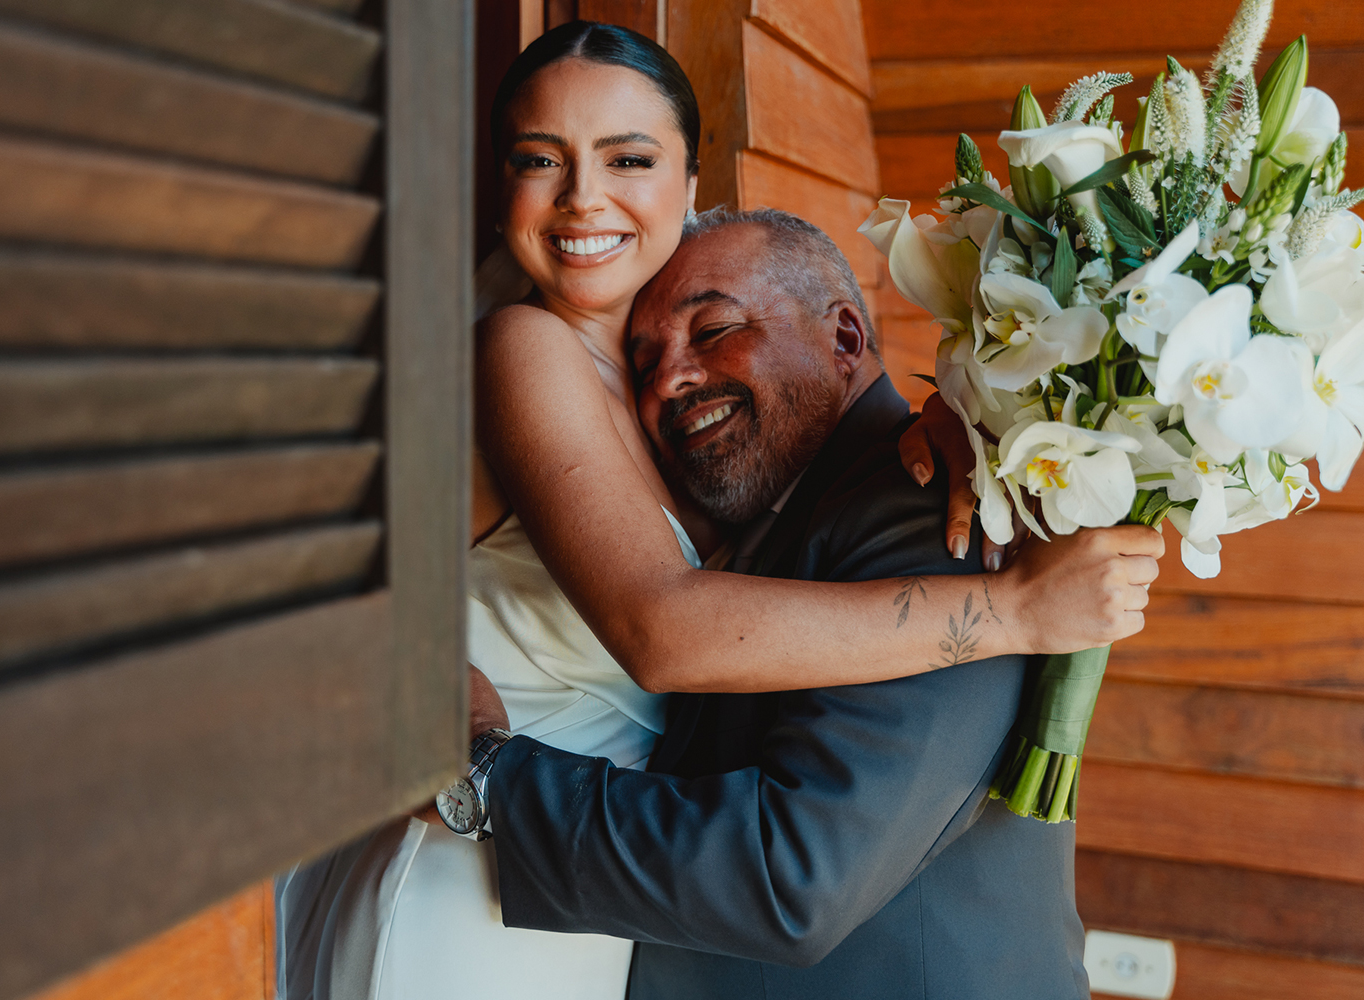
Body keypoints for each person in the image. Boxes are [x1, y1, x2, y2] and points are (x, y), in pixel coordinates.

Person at [273, 21, 1160, 1000]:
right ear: (502, 186)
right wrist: (1019, 613)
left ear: (687, 185)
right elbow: (661, 626)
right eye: (540, 160)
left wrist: (954, 410)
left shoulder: (764, 446)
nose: (582, 195)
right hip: (480, 876)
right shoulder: (525, 347)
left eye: (628, 157)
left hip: (576, 894)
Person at [472, 207, 1161, 999]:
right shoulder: (787, 505)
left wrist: (489, 776)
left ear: (843, 340)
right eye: (643, 359)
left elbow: (789, 880)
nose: (669, 379)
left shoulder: (940, 516)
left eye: (713, 330)